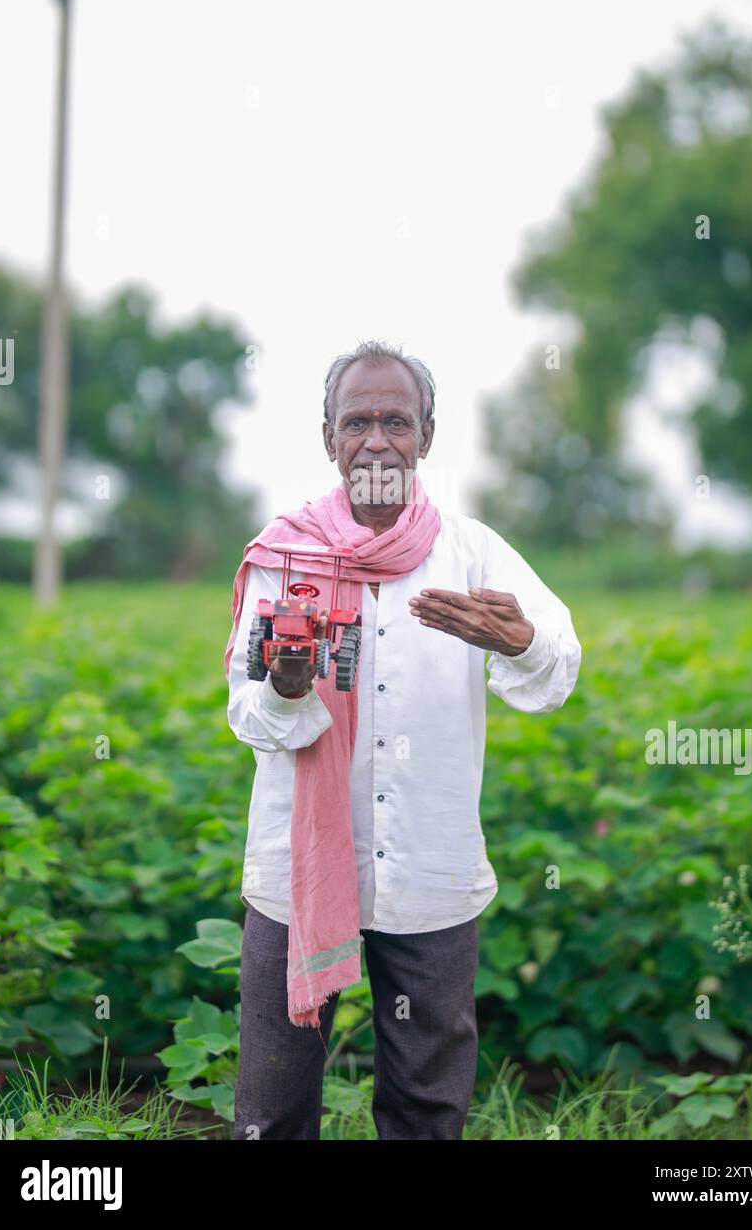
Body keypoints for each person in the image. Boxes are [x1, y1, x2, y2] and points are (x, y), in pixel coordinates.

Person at [225, 340, 581, 1140]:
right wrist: (285, 688)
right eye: (359, 422)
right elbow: (246, 714)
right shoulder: (285, 556)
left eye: (396, 421)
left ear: (427, 435)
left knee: (427, 1107)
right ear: (329, 438)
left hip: (432, 873)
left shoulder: (473, 554)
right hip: (297, 874)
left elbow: (558, 673)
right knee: (272, 1110)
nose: (377, 440)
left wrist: (522, 643)